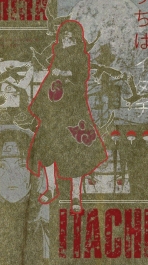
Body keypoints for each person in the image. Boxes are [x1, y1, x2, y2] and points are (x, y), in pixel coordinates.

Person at [26, 20, 107, 213]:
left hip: (73, 111)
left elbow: (81, 77)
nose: (65, 41)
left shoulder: (81, 57)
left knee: (76, 154)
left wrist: (63, 73)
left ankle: (76, 196)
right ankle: (51, 187)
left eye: (70, 38)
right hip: (53, 111)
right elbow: (50, 80)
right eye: (63, 37)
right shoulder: (58, 54)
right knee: (47, 149)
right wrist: (42, 106)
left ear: (77, 40)